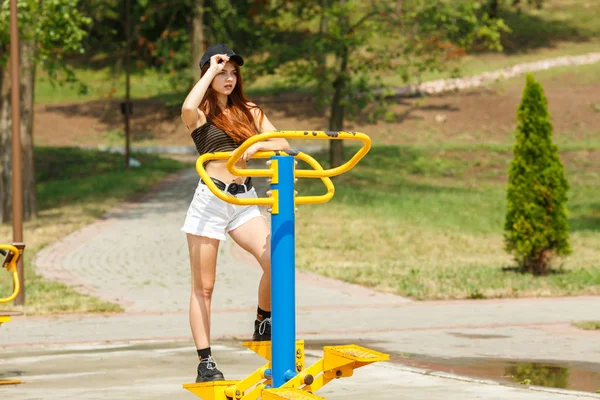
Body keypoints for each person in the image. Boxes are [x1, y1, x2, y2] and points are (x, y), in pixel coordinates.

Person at [180, 43, 291, 383]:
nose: (228, 78)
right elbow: (187, 104)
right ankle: (206, 362)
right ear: (208, 75)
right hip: (211, 201)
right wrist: (211, 68)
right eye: (221, 72)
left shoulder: (249, 111)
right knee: (205, 287)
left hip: (244, 200)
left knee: (277, 261)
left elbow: (282, 143)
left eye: (232, 73)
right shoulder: (199, 115)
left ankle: (262, 319)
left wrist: (256, 144)